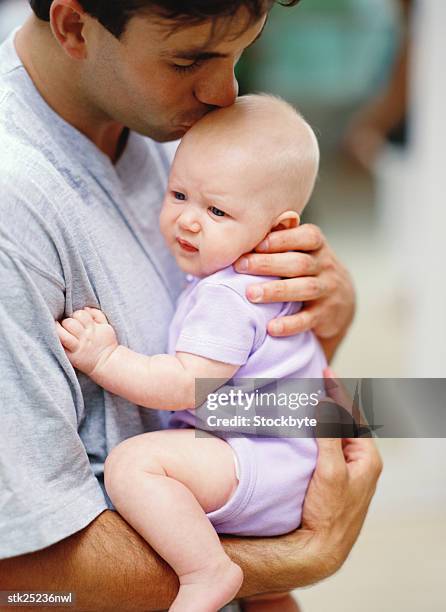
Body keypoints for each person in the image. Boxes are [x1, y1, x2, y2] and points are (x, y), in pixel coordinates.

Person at [0, 2, 381, 610]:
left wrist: (324, 313)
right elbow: (23, 585)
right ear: (74, 26)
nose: (226, 92)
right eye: (190, 59)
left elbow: (246, 386)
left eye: (241, 51)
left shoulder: (178, 133)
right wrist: (305, 554)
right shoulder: (16, 207)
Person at [57, 94, 325, 612]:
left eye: (217, 210)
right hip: (281, 453)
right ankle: (268, 592)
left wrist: (104, 358)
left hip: (263, 461)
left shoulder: (227, 297)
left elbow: (186, 384)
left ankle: (207, 572)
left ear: (278, 229)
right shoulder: (252, 277)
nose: (189, 221)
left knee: (134, 465)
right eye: (179, 194)